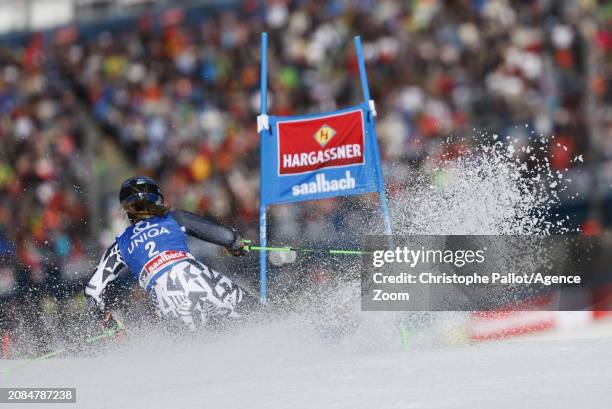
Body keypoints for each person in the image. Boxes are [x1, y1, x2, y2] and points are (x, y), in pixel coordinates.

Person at [85, 176, 251, 332]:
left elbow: (93, 291)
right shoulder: (174, 218)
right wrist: (236, 244)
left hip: (166, 300)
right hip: (198, 278)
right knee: (256, 316)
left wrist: (108, 323)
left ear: (127, 209)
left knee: (197, 353)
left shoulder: (119, 245)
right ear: (157, 200)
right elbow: (225, 236)